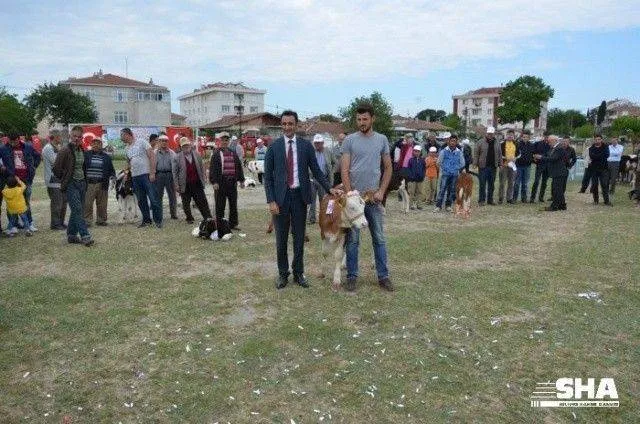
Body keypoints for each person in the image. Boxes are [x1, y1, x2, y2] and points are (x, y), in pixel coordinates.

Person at [264, 110, 340, 289]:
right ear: (281, 125)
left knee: (299, 238)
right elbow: (268, 178)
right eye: (284, 124)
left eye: (290, 124)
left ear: (296, 125)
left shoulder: (306, 146)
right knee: (281, 239)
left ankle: (298, 273)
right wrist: (271, 201)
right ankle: (283, 274)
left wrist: (329, 188)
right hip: (280, 199)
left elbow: (316, 170)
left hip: (300, 197)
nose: (287, 127)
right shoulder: (274, 147)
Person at [341, 104, 394, 292]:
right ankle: (352, 276)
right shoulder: (349, 140)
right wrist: (350, 195)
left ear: (373, 119)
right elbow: (344, 170)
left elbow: (388, 167)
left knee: (378, 238)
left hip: (373, 198)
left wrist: (382, 191)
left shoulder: (382, 139)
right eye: (359, 119)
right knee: (353, 240)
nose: (361, 123)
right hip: (355, 199)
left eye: (365, 119)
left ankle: (383, 276)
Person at [52, 126, 94, 246]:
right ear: (70, 136)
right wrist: (65, 178)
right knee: (78, 209)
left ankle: (71, 235)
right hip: (71, 184)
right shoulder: (65, 150)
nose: (76, 138)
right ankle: (85, 236)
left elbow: (83, 167)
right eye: (74, 136)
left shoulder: (81, 150)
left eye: (79, 137)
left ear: (82, 138)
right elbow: (56, 169)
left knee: (77, 210)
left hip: (82, 183)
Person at [122, 127, 163, 228]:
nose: (121, 137)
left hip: (146, 174)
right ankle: (146, 220)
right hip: (135, 177)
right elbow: (128, 163)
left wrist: (152, 172)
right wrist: (126, 173)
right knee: (141, 200)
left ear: (128, 134)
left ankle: (158, 221)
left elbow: (152, 156)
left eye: (122, 135)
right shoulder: (126, 148)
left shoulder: (141, 142)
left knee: (153, 199)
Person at [0, 133, 41, 231]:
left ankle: (29, 223)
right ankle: (14, 225)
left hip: (26, 178)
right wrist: (1, 167)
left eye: (14, 141)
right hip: (11, 179)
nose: (12, 143)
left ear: (18, 139)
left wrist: (33, 167)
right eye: (10, 141)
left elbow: (37, 156)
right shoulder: (3, 148)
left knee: (26, 202)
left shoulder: (28, 147)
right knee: (11, 203)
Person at [209, 132, 245, 230]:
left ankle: (233, 224)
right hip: (221, 183)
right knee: (220, 205)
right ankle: (220, 225)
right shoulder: (216, 154)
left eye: (226, 140)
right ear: (219, 141)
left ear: (229, 141)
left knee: (233, 204)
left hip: (232, 182)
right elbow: (212, 169)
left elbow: (238, 166)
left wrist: (241, 180)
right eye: (223, 140)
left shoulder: (233, 152)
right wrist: (214, 182)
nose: (225, 142)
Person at [173, 137, 212, 224]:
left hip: (197, 183)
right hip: (185, 184)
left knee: (202, 201)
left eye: (187, 145)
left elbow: (202, 167)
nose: (186, 147)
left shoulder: (197, 154)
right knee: (186, 203)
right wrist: (176, 185)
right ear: (181, 147)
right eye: (184, 146)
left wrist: (204, 177)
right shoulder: (177, 157)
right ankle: (189, 218)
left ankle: (208, 217)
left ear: (190, 145)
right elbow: (174, 172)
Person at [83, 138, 115, 226]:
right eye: (94, 143)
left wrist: (113, 177)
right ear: (91, 145)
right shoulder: (86, 155)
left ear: (101, 145)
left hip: (102, 183)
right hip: (89, 183)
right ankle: (87, 221)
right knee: (87, 203)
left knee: (102, 203)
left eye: (98, 143)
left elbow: (111, 170)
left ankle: (101, 220)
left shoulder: (107, 157)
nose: (96, 145)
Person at [42, 129, 67, 230]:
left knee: (63, 202)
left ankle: (61, 222)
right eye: (60, 136)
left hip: (61, 179)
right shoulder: (48, 148)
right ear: (56, 137)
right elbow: (56, 162)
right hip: (53, 179)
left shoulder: (58, 147)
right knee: (57, 203)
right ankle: (55, 224)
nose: (61, 138)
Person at [534, 135, 568, 211]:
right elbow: (547, 155)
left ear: (554, 141)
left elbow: (553, 158)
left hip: (559, 172)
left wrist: (541, 157)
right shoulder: (554, 148)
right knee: (558, 190)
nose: (548, 143)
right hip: (557, 172)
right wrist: (539, 156)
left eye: (549, 142)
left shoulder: (559, 148)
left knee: (556, 190)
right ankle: (562, 205)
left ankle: (554, 206)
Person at [434, 135, 465, 212]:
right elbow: (438, 162)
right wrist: (445, 168)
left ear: (456, 142)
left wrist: (456, 168)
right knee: (442, 190)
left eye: (454, 141)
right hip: (445, 174)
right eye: (451, 141)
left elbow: (462, 163)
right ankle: (438, 206)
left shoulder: (459, 152)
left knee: (451, 190)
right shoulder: (443, 151)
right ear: (449, 141)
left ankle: (448, 206)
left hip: (454, 174)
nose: (453, 142)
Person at [308, 134, 334, 224]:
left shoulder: (328, 151)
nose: (317, 144)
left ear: (322, 143)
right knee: (311, 200)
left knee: (323, 200)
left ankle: (323, 218)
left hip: (324, 180)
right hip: (312, 179)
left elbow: (335, 162)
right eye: (315, 143)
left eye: (319, 143)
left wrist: (332, 172)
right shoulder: (311, 152)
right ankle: (311, 218)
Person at [473, 126, 502, 206]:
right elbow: (476, 153)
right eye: (489, 133)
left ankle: (490, 200)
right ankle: (481, 200)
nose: (490, 135)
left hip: (493, 167)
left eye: (491, 133)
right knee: (482, 184)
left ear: (494, 134)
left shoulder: (497, 142)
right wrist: (475, 163)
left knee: (491, 184)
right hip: (483, 167)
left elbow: (500, 154)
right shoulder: (480, 142)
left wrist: (500, 164)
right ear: (486, 133)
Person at [154, 134, 178, 220]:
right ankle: (158, 214)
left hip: (169, 175)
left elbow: (176, 167)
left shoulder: (172, 153)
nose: (164, 143)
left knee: (172, 196)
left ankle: (173, 214)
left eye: (166, 141)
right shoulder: (154, 153)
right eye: (162, 141)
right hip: (158, 175)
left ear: (168, 142)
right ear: (159, 142)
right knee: (158, 196)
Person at [588, 134, 611, 206]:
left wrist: (596, 156)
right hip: (594, 169)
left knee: (604, 185)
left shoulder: (605, 147)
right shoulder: (591, 148)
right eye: (596, 139)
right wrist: (601, 155)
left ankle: (606, 201)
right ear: (594, 140)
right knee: (594, 185)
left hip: (604, 169)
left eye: (599, 139)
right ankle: (596, 200)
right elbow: (592, 156)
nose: (597, 141)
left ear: (601, 140)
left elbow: (607, 155)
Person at [498, 129, 520, 204]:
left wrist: (515, 158)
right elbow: (499, 154)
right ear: (506, 135)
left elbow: (519, 154)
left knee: (511, 183)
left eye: (511, 135)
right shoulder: (502, 144)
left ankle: (509, 198)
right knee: (502, 183)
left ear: (513, 136)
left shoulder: (516, 144)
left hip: (512, 166)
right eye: (508, 135)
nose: (510, 136)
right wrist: (505, 158)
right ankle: (501, 198)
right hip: (504, 165)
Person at [513, 130, 533, 203]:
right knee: (517, 183)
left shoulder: (531, 145)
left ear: (529, 137)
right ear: (521, 137)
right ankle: (514, 198)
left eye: (527, 137)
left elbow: (532, 154)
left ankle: (524, 198)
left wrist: (531, 160)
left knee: (525, 183)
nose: (525, 138)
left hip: (527, 166)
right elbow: (515, 154)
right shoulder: (517, 144)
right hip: (519, 166)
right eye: (524, 137)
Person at [530, 131, 551, 203]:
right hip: (539, 165)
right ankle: (532, 198)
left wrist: (541, 156)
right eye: (545, 136)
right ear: (543, 136)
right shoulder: (537, 143)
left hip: (547, 166)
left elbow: (550, 155)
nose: (546, 138)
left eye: (548, 137)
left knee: (544, 183)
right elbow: (532, 152)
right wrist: (534, 157)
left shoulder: (551, 145)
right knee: (536, 181)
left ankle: (541, 197)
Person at [406, 145, 426, 210]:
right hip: (412, 179)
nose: (416, 153)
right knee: (411, 192)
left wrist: (423, 175)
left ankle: (419, 205)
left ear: (420, 152)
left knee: (419, 192)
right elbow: (408, 169)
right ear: (413, 152)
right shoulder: (411, 160)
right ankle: (410, 205)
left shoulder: (422, 160)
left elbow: (424, 168)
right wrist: (410, 176)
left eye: (418, 151)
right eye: (415, 151)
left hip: (420, 179)